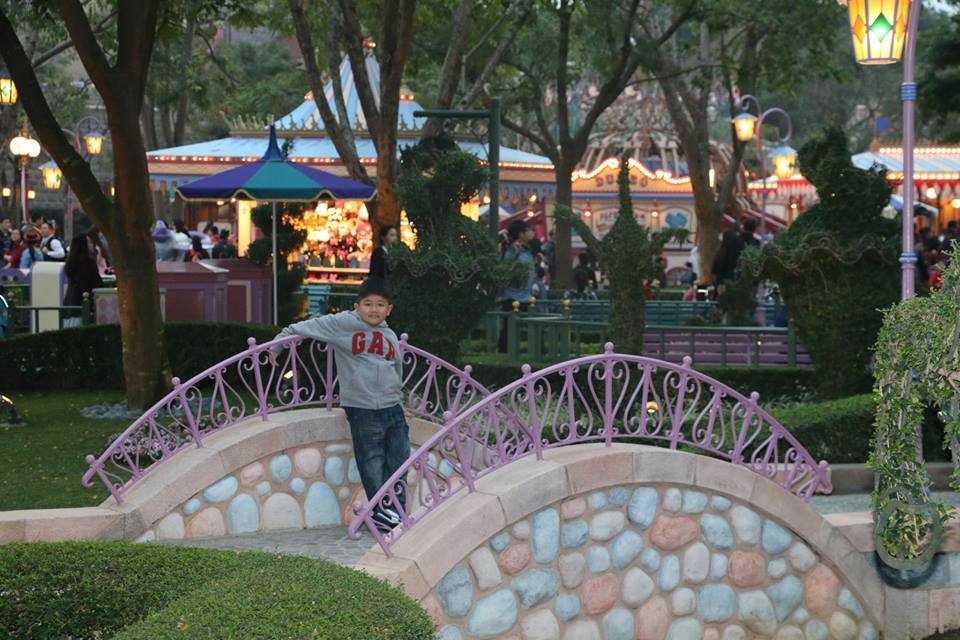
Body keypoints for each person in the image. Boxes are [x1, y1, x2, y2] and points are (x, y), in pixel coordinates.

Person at [269, 277, 408, 533]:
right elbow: (303, 327)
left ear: (389, 309)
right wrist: (278, 345)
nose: (374, 310)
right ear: (357, 306)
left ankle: (396, 511)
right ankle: (379, 513)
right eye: (368, 304)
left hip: (392, 408)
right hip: (363, 409)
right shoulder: (343, 324)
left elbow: (396, 368)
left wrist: (399, 398)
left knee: (400, 460)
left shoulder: (389, 334)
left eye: (380, 305)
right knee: (372, 462)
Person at [497, 219, 535, 352]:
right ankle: (504, 355)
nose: (532, 232)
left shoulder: (527, 250)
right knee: (508, 330)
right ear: (521, 234)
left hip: (525, 296)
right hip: (512, 297)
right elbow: (505, 270)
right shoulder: (512, 251)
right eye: (528, 229)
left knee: (535, 327)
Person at [63, 234, 103, 325]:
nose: (91, 244)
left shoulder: (70, 263)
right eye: (88, 242)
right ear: (83, 245)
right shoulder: (88, 263)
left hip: (69, 303)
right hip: (83, 305)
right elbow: (97, 284)